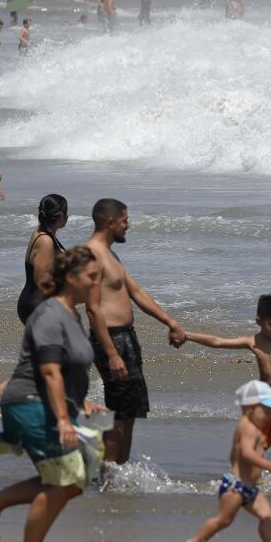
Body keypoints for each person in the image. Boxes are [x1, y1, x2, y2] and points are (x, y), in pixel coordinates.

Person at [0, 247, 105, 542]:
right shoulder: (50, 314)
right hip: (30, 404)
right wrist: (63, 419)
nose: (97, 283)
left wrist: (80, 401)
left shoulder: (71, 315)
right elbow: (48, 370)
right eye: (92, 277)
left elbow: (64, 368)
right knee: (66, 477)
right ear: (72, 278)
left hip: (47, 404)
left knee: (76, 479)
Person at [86, 198, 186, 465]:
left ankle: (120, 470)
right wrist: (112, 354)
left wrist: (170, 322)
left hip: (125, 338)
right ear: (110, 222)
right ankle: (109, 478)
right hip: (111, 339)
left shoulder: (111, 254)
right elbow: (93, 310)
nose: (127, 226)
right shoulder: (92, 255)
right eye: (125, 221)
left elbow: (137, 292)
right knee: (117, 413)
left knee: (129, 411)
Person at [186, 380, 271, 542]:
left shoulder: (254, 428)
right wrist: (269, 465)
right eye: (267, 411)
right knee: (223, 520)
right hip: (235, 487)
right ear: (250, 407)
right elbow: (247, 453)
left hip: (249, 488)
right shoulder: (247, 426)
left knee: (267, 515)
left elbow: (242, 454)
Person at [184, 295, 271, 475]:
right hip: (264, 400)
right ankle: (254, 480)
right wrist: (187, 335)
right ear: (258, 321)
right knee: (259, 443)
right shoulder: (253, 342)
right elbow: (218, 342)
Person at [17, 195, 67, 324]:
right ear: (61, 215)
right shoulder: (45, 240)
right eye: (67, 213)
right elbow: (42, 281)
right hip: (38, 306)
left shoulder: (45, 234)